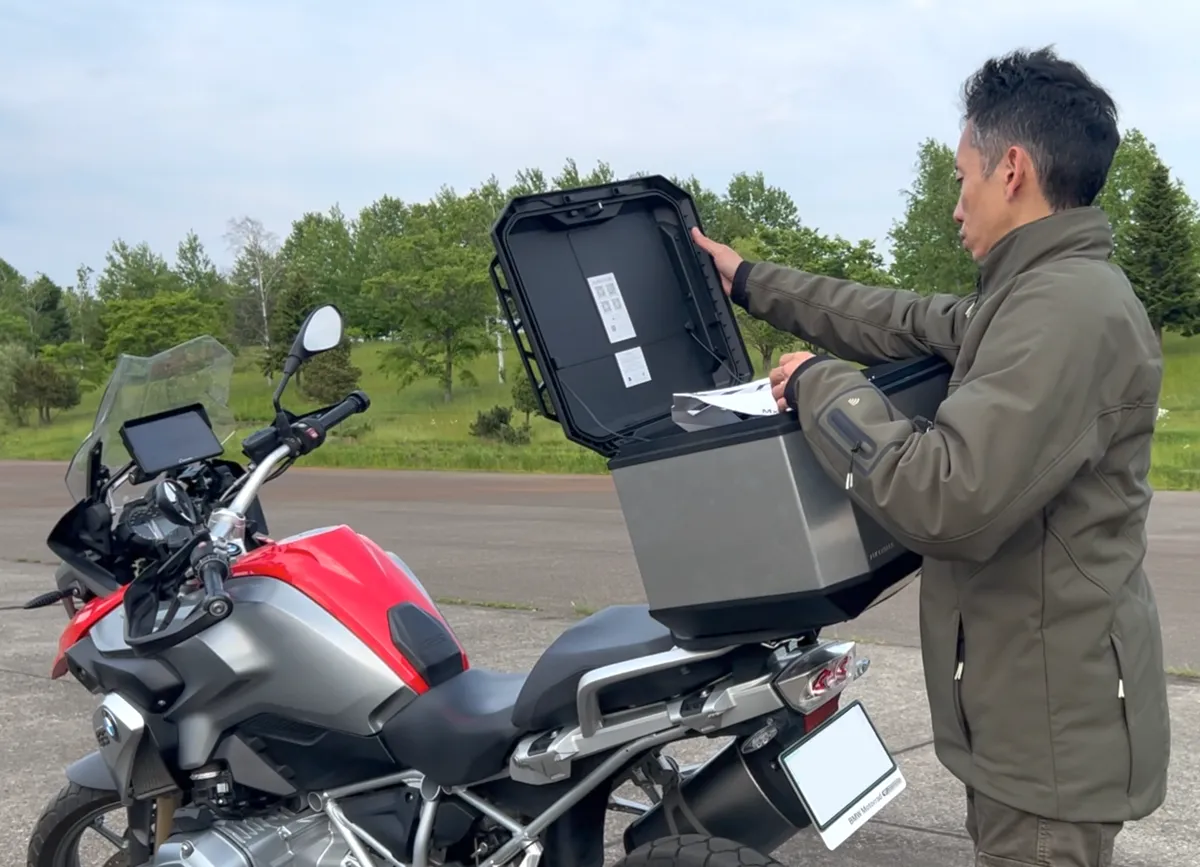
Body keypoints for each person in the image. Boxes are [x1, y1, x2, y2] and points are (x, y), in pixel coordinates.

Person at [691, 47, 1169, 867]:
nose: (955, 205)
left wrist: (820, 386)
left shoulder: (1064, 311)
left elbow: (945, 498)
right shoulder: (1034, 293)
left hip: (1049, 756)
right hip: (1035, 726)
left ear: (1011, 170)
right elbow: (900, 318)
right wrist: (751, 282)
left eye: (962, 177)